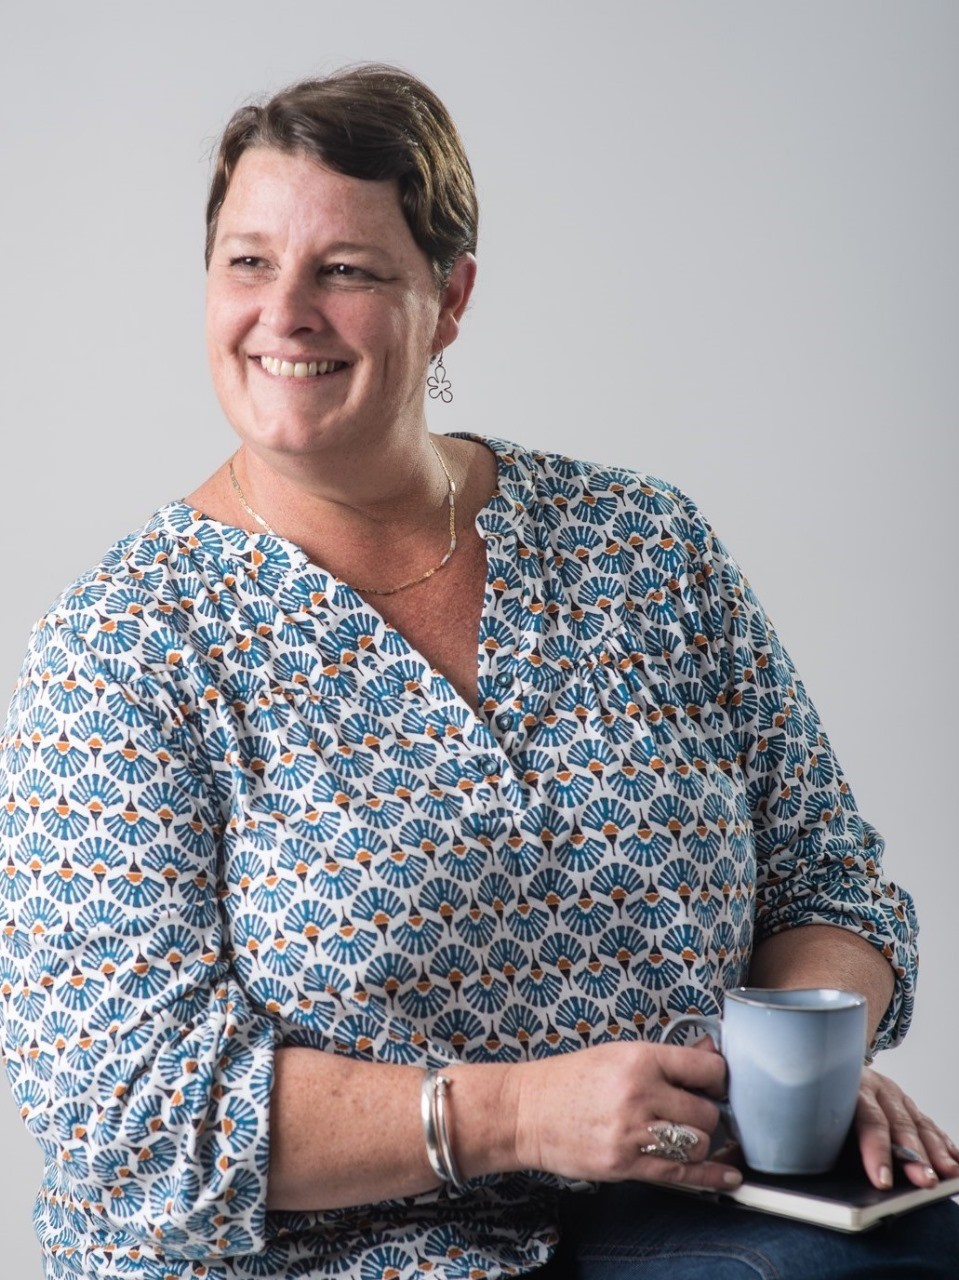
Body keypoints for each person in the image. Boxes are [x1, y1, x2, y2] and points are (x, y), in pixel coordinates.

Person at [1, 63, 957, 1280]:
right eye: (247, 261)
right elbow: (126, 1122)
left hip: (690, 1209)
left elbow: (829, 883)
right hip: (335, 1260)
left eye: (344, 268)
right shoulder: (126, 647)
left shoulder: (641, 544)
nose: (284, 309)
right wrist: (512, 1112)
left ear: (447, 299)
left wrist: (804, 1080)